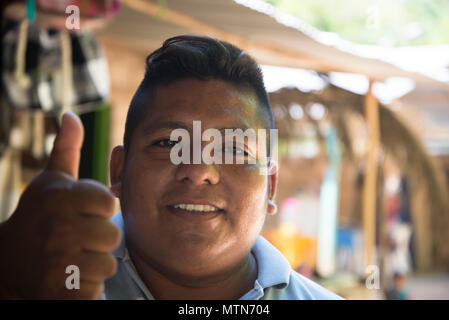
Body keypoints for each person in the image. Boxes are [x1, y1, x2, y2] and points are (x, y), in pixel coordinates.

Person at [0, 35, 342, 300]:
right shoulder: (43, 281)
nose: (198, 170)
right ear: (118, 171)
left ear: (270, 185)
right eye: (168, 143)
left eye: (233, 149)